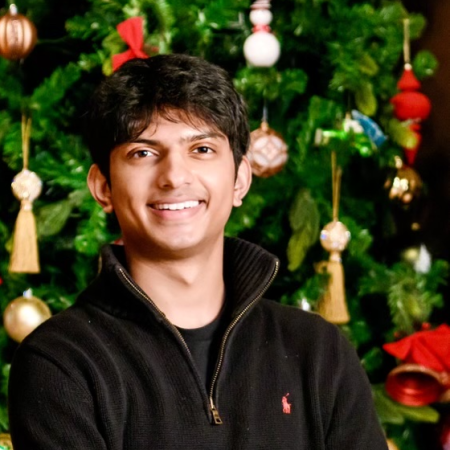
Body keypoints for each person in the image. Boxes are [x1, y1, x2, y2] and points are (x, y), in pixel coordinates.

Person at [8, 54, 388, 450]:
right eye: (143, 152)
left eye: (202, 149)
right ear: (103, 186)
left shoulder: (320, 353)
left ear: (240, 179)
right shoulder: (60, 363)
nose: (174, 176)